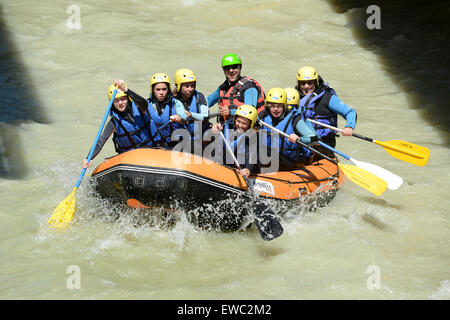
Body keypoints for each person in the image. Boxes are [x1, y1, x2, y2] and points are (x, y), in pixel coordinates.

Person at [82, 83, 161, 168]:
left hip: (152, 150)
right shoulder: (113, 123)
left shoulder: (140, 109)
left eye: (123, 99)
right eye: (116, 100)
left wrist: (126, 90)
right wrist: (89, 158)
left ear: (128, 99)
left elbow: (144, 104)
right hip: (130, 159)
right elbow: (101, 141)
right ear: (112, 103)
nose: (120, 103)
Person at [114, 74, 188, 148]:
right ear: (153, 90)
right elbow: (140, 103)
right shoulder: (147, 105)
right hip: (156, 145)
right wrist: (125, 90)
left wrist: (180, 118)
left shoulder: (176, 103)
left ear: (168, 89)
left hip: (176, 144)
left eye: (164, 89)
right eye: (158, 89)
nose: (161, 92)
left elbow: (184, 119)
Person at [295, 66, 357, 149]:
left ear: (315, 82)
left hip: (323, 144)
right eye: (303, 83)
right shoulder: (294, 97)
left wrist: (349, 126)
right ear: (299, 84)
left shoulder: (328, 97)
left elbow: (350, 113)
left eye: (310, 83)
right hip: (301, 142)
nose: (306, 86)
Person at [258, 88, 318, 171]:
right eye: (273, 106)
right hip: (266, 157)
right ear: (268, 106)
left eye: (279, 106)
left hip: (287, 161)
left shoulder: (294, 119)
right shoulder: (262, 116)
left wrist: (300, 139)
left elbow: (315, 138)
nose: (276, 109)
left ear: (284, 106)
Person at [207, 53, 265, 122]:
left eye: (234, 67)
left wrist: (230, 112)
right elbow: (207, 101)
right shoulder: (223, 88)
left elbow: (250, 111)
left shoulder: (249, 87)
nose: (231, 70)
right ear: (224, 71)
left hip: (248, 128)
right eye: (227, 68)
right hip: (228, 127)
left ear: (240, 68)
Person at [211, 104, 260, 178]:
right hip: (224, 164)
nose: (240, 125)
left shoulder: (253, 136)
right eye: (238, 121)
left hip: (241, 166)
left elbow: (252, 154)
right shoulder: (226, 127)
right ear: (234, 120)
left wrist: (248, 169)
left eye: (244, 123)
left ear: (250, 125)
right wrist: (213, 131)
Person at [172, 68, 210, 140]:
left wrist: (190, 115)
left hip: (200, 138)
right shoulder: (172, 100)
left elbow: (205, 117)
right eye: (187, 86)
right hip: (182, 139)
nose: (190, 89)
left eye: (192, 86)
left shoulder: (200, 96)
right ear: (179, 86)